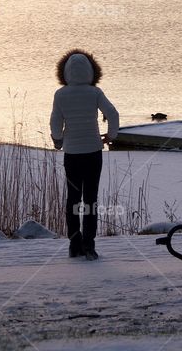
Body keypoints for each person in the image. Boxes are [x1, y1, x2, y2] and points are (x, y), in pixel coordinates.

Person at [50, 50, 119, 260]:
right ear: (91, 71)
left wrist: (58, 139)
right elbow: (113, 114)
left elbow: (55, 122)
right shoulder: (95, 93)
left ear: (65, 73)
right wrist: (111, 136)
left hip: (72, 154)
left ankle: (74, 244)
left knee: (73, 199)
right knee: (90, 200)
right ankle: (89, 245)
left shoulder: (60, 95)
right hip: (93, 152)